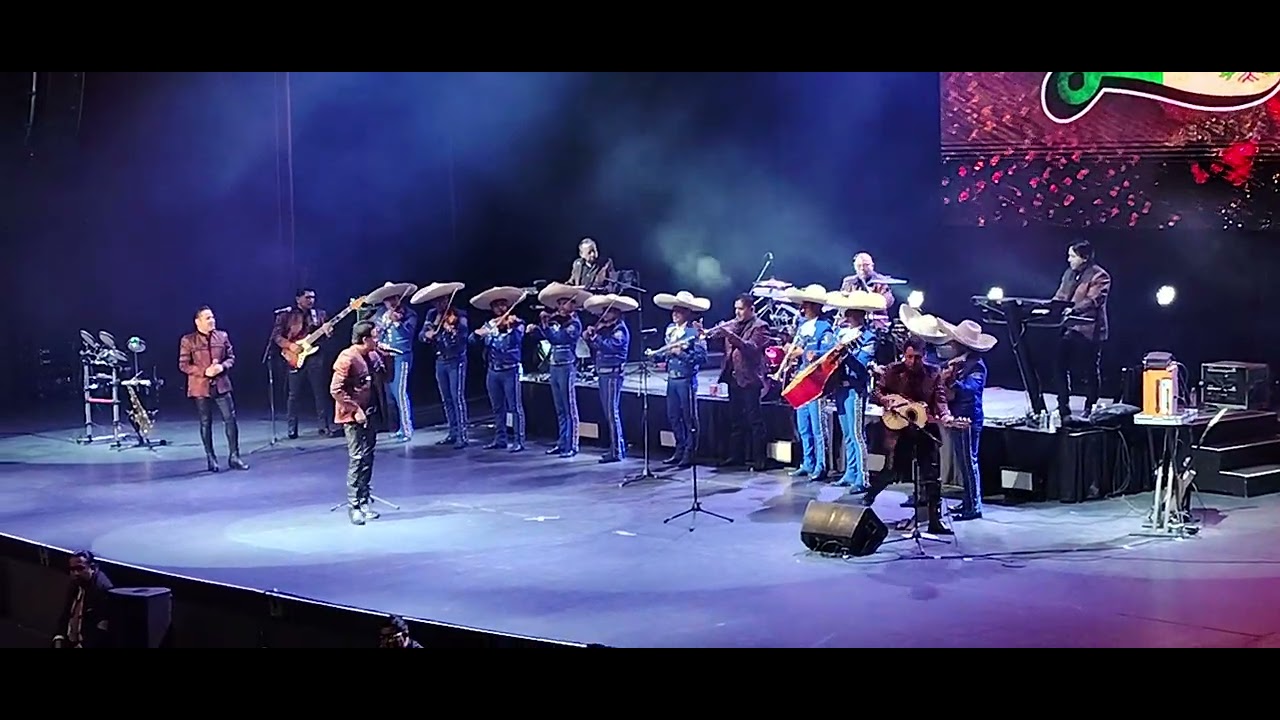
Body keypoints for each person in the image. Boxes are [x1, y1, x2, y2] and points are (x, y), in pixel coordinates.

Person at [862, 337, 953, 536]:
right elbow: (877, 392)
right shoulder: (893, 371)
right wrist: (887, 400)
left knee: (931, 475)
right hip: (899, 429)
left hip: (924, 429)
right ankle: (869, 496)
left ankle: (934, 520)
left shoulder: (933, 373)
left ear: (924, 356)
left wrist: (945, 414)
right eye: (909, 357)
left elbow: (940, 398)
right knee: (893, 470)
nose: (912, 362)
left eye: (917, 358)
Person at [934, 318, 995, 521]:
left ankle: (974, 505)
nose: (951, 345)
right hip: (958, 415)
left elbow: (971, 391)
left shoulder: (976, 367)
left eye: (954, 342)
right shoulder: (958, 363)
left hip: (969, 418)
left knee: (969, 462)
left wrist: (952, 381)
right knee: (963, 461)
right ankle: (968, 501)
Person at [824, 290, 884, 492]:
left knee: (857, 434)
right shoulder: (841, 334)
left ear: (859, 315)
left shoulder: (868, 337)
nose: (846, 318)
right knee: (846, 433)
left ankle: (862, 477)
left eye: (850, 314)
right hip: (840, 387)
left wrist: (844, 353)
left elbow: (862, 363)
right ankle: (850, 473)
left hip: (856, 389)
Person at [331, 320, 389, 525]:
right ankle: (353, 505)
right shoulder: (347, 358)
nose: (378, 339)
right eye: (375, 336)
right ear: (365, 339)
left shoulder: (372, 355)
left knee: (368, 457)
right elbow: (336, 389)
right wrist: (355, 409)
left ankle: (364, 501)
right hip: (353, 416)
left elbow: (385, 378)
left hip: (371, 412)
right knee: (357, 458)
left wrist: (386, 356)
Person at [179, 306, 248, 472]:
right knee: (205, 422)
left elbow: (231, 358)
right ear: (198, 322)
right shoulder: (188, 340)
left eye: (213, 317)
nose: (212, 321)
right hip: (201, 387)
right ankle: (211, 458)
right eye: (208, 318)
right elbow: (183, 365)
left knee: (230, 420)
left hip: (221, 384)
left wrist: (221, 367)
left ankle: (234, 456)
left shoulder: (222, 336)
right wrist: (204, 371)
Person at [778, 284, 835, 482]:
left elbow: (829, 353)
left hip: (816, 382)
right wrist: (791, 353)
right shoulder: (803, 326)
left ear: (815, 306)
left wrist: (809, 353)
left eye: (806, 306)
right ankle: (808, 462)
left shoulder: (825, 327)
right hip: (802, 379)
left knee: (818, 427)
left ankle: (821, 465)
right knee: (803, 426)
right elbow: (800, 349)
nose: (803, 309)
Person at [649, 291, 711, 468]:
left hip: (686, 379)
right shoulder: (670, 330)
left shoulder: (695, 332)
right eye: (674, 310)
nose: (675, 314)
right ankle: (679, 448)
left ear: (688, 313)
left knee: (689, 417)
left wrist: (681, 354)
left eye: (680, 311)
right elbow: (668, 354)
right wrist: (657, 356)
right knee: (674, 416)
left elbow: (701, 357)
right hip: (672, 379)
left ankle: (690, 452)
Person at [1052, 240, 1111, 419]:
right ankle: (1063, 405)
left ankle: (1090, 405)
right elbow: (1061, 294)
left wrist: (1073, 309)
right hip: (1069, 328)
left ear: (1084, 257)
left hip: (1089, 330)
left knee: (1089, 369)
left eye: (1072, 256)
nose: (1068, 259)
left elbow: (1093, 300)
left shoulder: (1100, 276)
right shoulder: (1069, 274)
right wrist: (1050, 307)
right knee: (1059, 365)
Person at [715, 294, 773, 471]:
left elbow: (751, 348)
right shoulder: (732, 324)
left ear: (751, 309)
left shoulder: (761, 327)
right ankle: (736, 456)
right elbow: (716, 336)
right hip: (733, 377)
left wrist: (730, 335)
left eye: (740, 309)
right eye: (736, 309)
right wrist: (705, 332)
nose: (737, 312)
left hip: (750, 379)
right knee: (736, 420)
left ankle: (759, 459)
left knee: (754, 420)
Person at [535, 282, 590, 458]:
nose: (560, 307)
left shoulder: (574, 323)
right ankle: (562, 442)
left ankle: (573, 444)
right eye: (559, 304)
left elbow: (559, 338)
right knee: (559, 408)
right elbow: (549, 338)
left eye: (564, 303)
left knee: (569, 407)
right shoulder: (557, 321)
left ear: (573, 305)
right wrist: (543, 325)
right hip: (554, 365)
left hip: (567, 366)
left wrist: (547, 326)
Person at [271, 287, 335, 438]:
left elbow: (327, 336)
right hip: (295, 355)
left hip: (315, 356)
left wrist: (329, 332)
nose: (311, 300)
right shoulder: (287, 315)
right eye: (307, 297)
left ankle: (323, 426)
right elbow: (276, 336)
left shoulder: (320, 314)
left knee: (319, 392)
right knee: (294, 395)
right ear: (298, 299)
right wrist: (290, 345)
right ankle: (292, 428)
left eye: (313, 297)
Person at [470, 286, 527, 452]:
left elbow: (515, 341)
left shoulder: (517, 323)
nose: (501, 308)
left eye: (503, 304)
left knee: (515, 407)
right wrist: (478, 333)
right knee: (497, 407)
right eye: (496, 305)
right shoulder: (489, 325)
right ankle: (500, 438)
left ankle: (519, 440)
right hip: (493, 371)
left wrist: (510, 327)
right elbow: (472, 341)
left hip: (511, 370)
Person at [583, 293, 636, 464]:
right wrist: (590, 338)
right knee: (608, 412)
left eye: (608, 311)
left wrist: (596, 337)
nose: (604, 315)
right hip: (603, 372)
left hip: (613, 373)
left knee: (612, 412)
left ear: (617, 313)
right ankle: (615, 447)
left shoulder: (619, 330)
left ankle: (617, 449)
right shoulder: (607, 329)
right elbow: (597, 347)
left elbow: (611, 347)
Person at [416, 282, 470, 449]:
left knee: (457, 397)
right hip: (440, 360)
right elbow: (421, 335)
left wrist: (451, 330)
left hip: (456, 360)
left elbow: (463, 336)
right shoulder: (432, 315)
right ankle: (452, 432)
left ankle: (463, 435)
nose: (440, 304)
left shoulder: (460, 314)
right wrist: (428, 334)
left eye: (443, 301)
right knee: (446, 398)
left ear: (448, 299)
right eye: (437, 302)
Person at [371, 283, 418, 442]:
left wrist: (397, 323)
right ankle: (399, 427)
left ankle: (407, 429)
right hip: (386, 357)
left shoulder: (409, 314)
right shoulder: (380, 313)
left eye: (394, 298)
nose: (391, 302)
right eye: (387, 299)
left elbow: (408, 334)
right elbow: (374, 330)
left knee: (400, 392)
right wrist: (381, 326)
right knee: (390, 394)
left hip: (401, 356)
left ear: (399, 298)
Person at [53, 550, 114, 648]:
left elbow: (102, 629)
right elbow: (66, 614)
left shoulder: (102, 589)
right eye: (72, 569)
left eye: (80, 568)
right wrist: (59, 637)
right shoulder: (75, 585)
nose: (75, 573)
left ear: (92, 567)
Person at [839, 252, 897, 332]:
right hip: (851, 321)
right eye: (859, 266)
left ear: (872, 266)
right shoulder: (849, 281)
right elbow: (841, 301)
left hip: (876, 322)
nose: (862, 268)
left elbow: (888, 301)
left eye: (866, 265)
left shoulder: (880, 281)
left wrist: (872, 300)